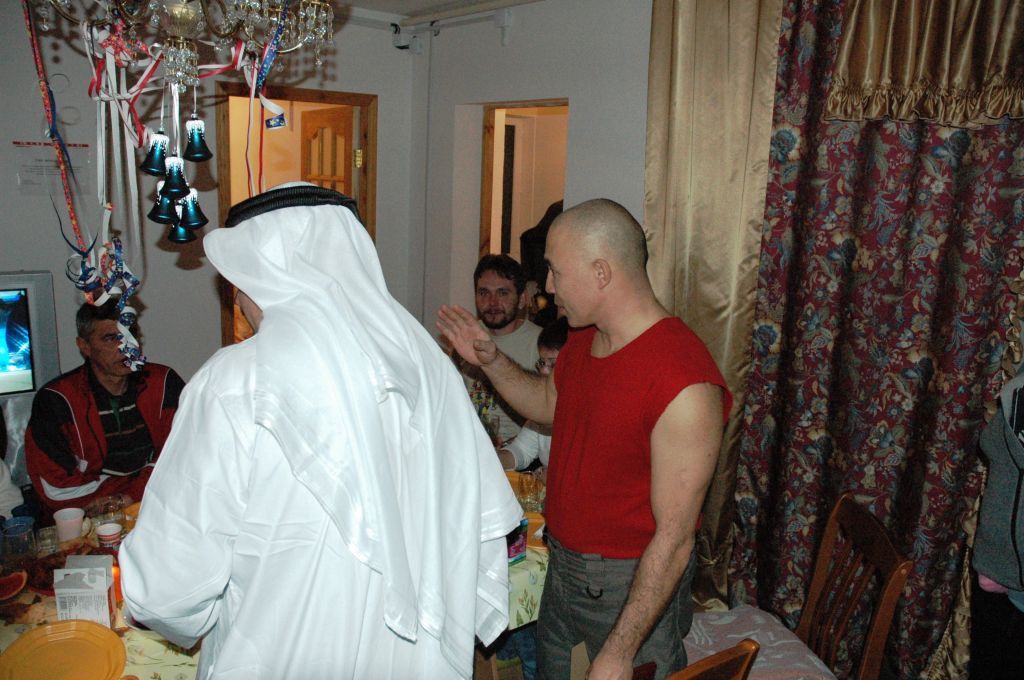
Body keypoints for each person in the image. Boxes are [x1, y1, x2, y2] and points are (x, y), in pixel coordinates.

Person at [119, 183, 522, 679]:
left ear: (260, 274)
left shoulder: (236, 381)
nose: (238, 299)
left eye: (238, 281)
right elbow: (473, 532)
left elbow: (167, 587)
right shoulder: (428, 367)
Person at [438, 198, 731, 680]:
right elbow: (547, 403)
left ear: (601, 272)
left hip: (626, 584)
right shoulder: (583, 337)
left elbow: (675, 539)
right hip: (563, 565)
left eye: (556, 271)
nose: (548, 287)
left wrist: (620, 650)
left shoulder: (683, 382)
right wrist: (490, 359)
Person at [24, 299, 184, 516]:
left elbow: (184, 452)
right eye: (111, 338)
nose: (126, 346)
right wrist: (137, 491)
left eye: (131, 334)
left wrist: (131, 495)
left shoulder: (164, 383)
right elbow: (57, 488)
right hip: (94, 518)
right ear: (84, 346)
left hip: (161, 507)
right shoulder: (57, 401)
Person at [465, 254, 543, 445]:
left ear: (522, 299)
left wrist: (511, 449)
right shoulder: (466, 337)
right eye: (484, 292)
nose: (492, 302)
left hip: (519, 455)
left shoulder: (541, 343)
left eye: (502, 293)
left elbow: (550, 417)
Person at [498, 317, 569, 476]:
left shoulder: (590, 409)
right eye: (542, 363)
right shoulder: (543, 405)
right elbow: (521, 451)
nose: (543, 371)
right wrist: (488, 457)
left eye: (553, 364)